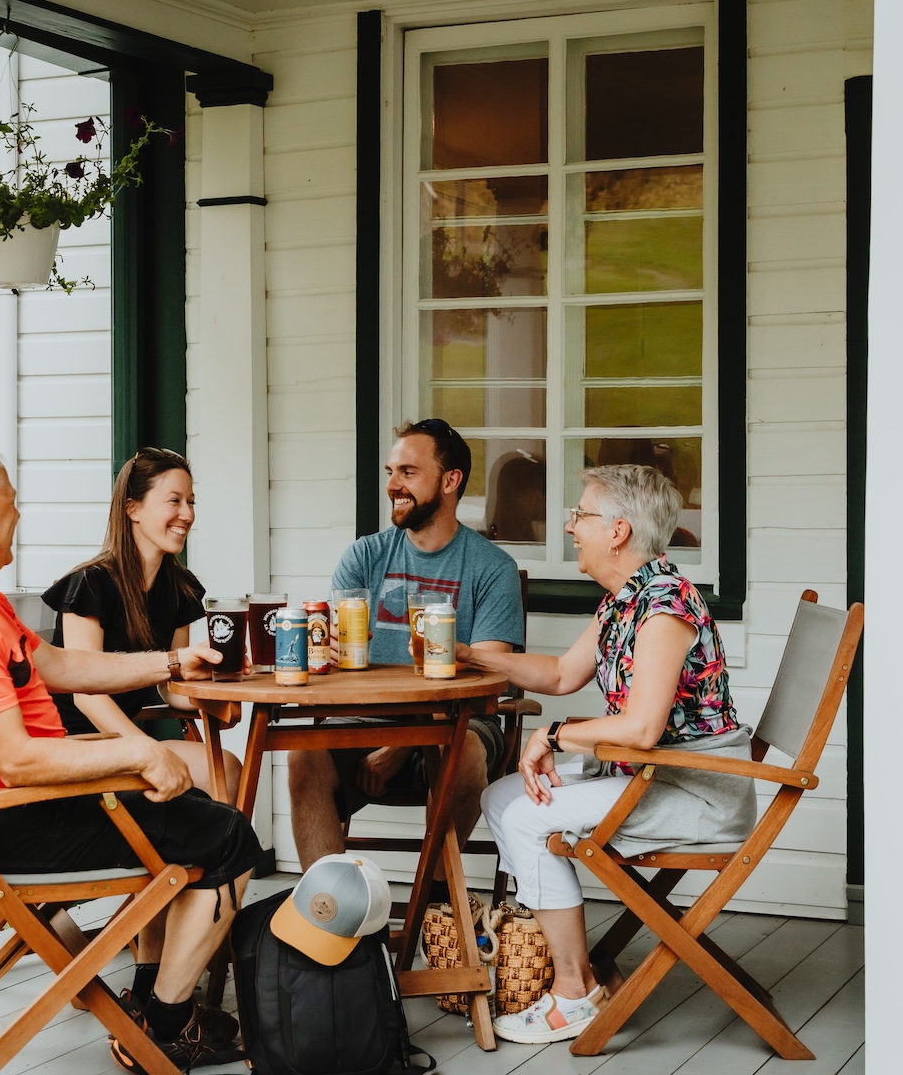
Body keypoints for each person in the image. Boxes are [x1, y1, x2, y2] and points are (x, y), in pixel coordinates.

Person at [0, 439, 261, 1073]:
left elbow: (61, 665)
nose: (18, 515)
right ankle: (166, 1027)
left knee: (194, 807)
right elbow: (18, 764)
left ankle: (147, 1001)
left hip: (31, 808)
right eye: (10, 502)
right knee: (227, 837)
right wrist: (139, 755)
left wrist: (170, 661)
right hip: (22, 821)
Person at [465, 464, 754, 1045]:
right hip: (649, 775)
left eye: (581, 514)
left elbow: (643, 727)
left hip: (693, 789)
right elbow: (560, 672)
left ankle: (575, 993)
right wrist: (471, 655)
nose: (571, 526)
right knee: (502, 796)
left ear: (618, 530)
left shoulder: (665, 605)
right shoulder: (624, 600)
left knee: (526, 813)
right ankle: (578, 970)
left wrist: (553, 737)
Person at [43, 446, 244, 1016]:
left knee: (227, 774)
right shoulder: (91, 585)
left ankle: (157, 964)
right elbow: (84, 690)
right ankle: (163, 960)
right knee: (196, 791)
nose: (186, 513)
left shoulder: (180, 588)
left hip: (131, 738)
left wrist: (216, 685)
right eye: (173, 501)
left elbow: (171, 685)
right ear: (133, 509)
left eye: (191, 502)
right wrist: (145, 749)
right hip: (75, 747)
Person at [286, 419, 525, 883]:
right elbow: (334, 657)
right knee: (303, 757)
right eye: (390, 471)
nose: (393, 484)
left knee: (466, 754)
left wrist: (402, 743)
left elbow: (485, 681)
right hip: (363, 717)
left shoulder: (492, 568)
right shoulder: (364, 556)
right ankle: (332, 912)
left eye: (408, 472)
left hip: (458, 722)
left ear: (450, 481)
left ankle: (432, 907)